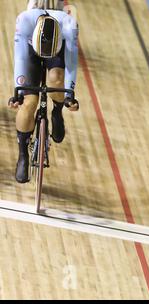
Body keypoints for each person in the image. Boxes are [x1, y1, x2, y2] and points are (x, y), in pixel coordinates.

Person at [8, 0, 79, 183]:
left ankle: (56, 111)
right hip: (31, 48)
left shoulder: (68, 25)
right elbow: (20, 59)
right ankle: (23, 154)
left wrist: (69, 95)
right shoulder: (24, 21)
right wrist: (18, 93)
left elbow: (71, 62)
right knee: (29, 103)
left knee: (56, 78)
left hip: (57, 48)